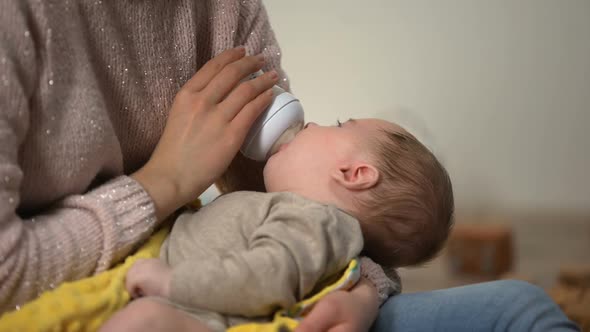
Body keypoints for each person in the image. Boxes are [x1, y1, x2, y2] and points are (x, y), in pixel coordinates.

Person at [0, 0, 578, 331]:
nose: (320, 122)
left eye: (341, 125)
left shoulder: (226, 13)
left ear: (356, 174)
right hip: (86, 291)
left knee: (517, 307)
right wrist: (163, 183)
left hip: (210, 308)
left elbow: (306, 248)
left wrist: (363, 287)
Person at [98, 118, 453, 332]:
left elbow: (263, 278)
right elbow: (375, 272)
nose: (312, 124)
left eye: (339, 123)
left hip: (194, 316)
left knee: (144, 321)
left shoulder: (314, 222)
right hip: (179, 299)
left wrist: (172, 282)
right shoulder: (315, 227)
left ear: (354, 174)